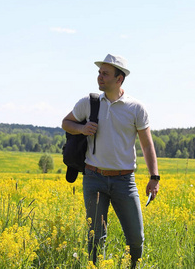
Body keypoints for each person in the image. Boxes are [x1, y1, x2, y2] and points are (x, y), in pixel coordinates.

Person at [62, 53, 160, 268]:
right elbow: (66, 122)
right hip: (93, 178)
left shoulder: (136, 108)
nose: (100, 77)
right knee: (96, 238)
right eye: (99, 73)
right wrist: (81, 128)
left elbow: (147, 144)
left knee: (136, 238)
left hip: (125, 181)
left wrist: (154, 176)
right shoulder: (89, 103)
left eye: (105, 74)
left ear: (119, 79)